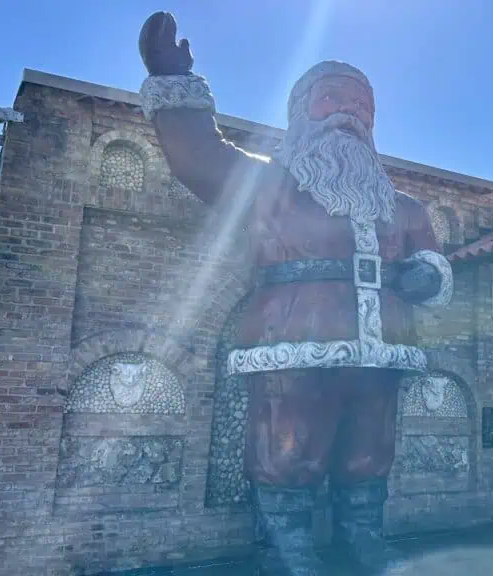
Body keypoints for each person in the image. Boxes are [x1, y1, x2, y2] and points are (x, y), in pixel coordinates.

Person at [138, 12, 452, 576]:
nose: (349, 116)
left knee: (369, 447)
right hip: (293, 339)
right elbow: (201, 158)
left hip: (381, 353)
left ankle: (362, 537)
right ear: (300, 113)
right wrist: (176, 86)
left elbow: (432, 262)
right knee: (287, 441)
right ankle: (287, 549)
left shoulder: (404, 207)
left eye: (362, 109)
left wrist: (426, 276)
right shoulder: (268, 185)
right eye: (332, 100)